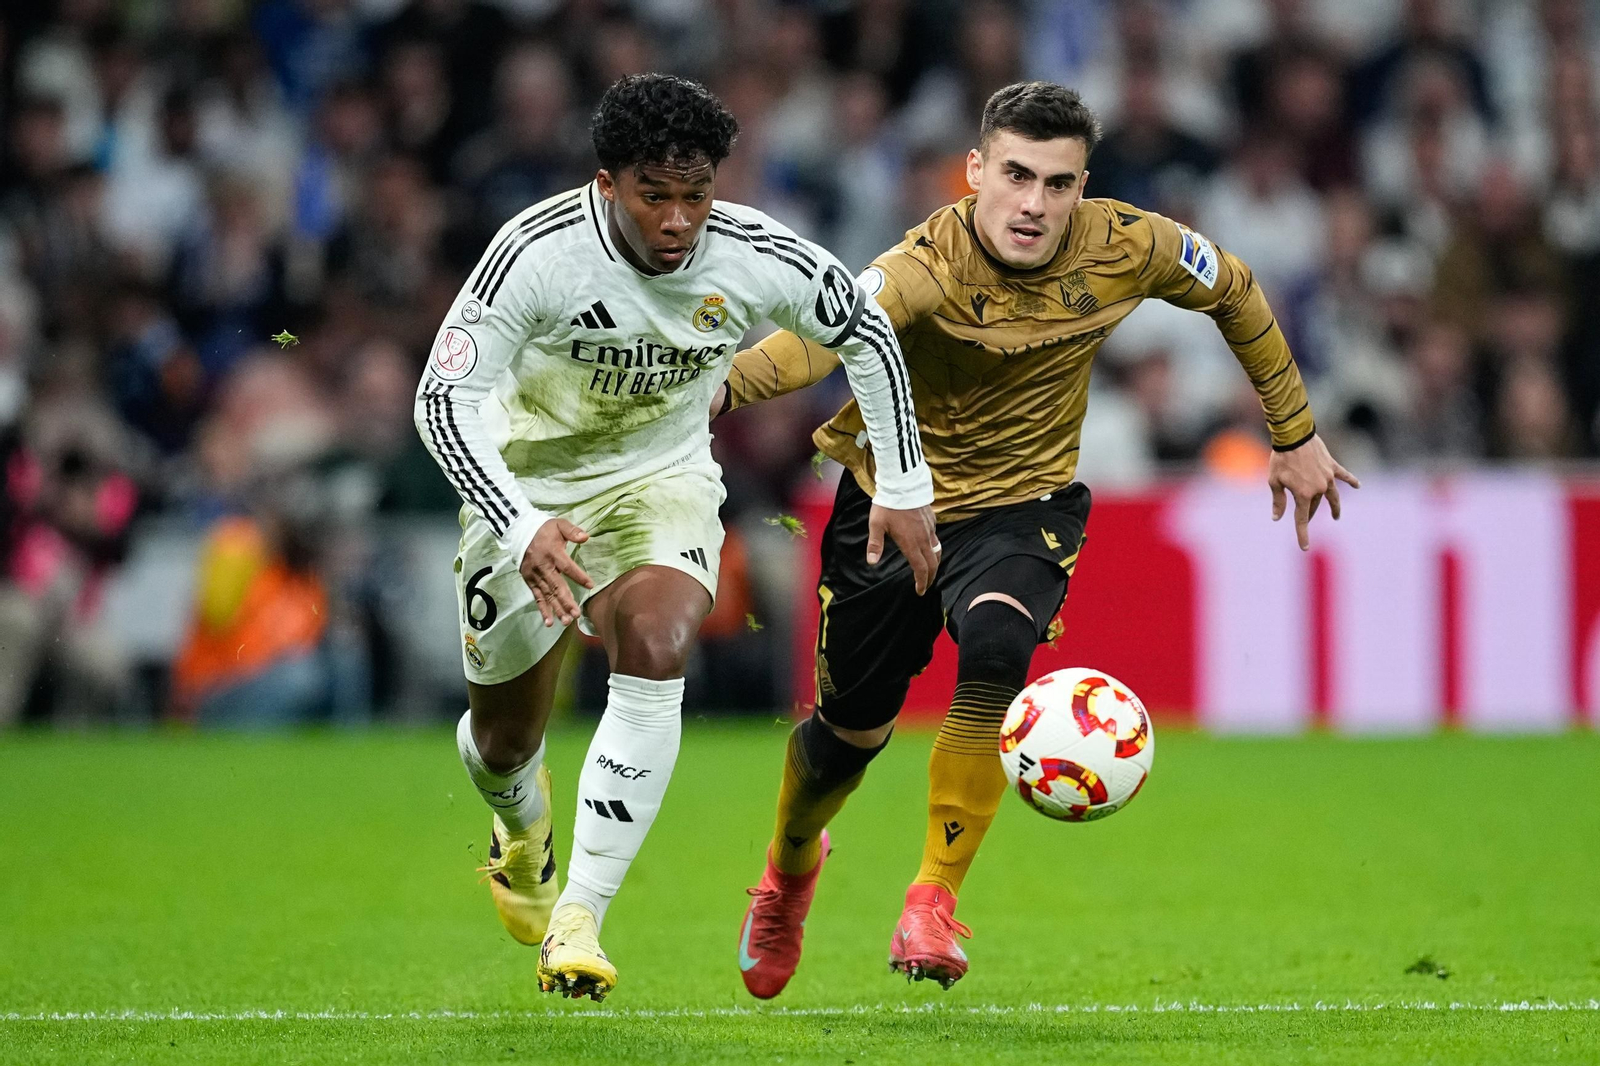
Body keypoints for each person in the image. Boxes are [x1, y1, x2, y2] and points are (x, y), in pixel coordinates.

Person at [715, 81, 1357, 997]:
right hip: (893, 506)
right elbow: (817, 342)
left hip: (1025, 504)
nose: (1034, 203)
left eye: (1058, 184)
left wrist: (1293, 433)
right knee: (845, 740)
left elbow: (1236, 290)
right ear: (974, 171)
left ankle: (932, 900)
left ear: (1081, 185)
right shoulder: (921, 266)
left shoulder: (1127, 243)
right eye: (1016, 175)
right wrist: (716, 390)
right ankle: (786, 873)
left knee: (997, 649)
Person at [413, 73, 938, 1002]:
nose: (679, 221)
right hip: (526, 485)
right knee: (501, 742)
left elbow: (869, 333)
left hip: (662, 480)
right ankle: (520, 830)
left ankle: (580, 918)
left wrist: (902, 483)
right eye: (655, 196)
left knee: (657, 647)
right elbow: (439, 400)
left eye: (696, 196)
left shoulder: (753, 253)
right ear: (607, 182)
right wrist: (521, 523)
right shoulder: (535, 254)